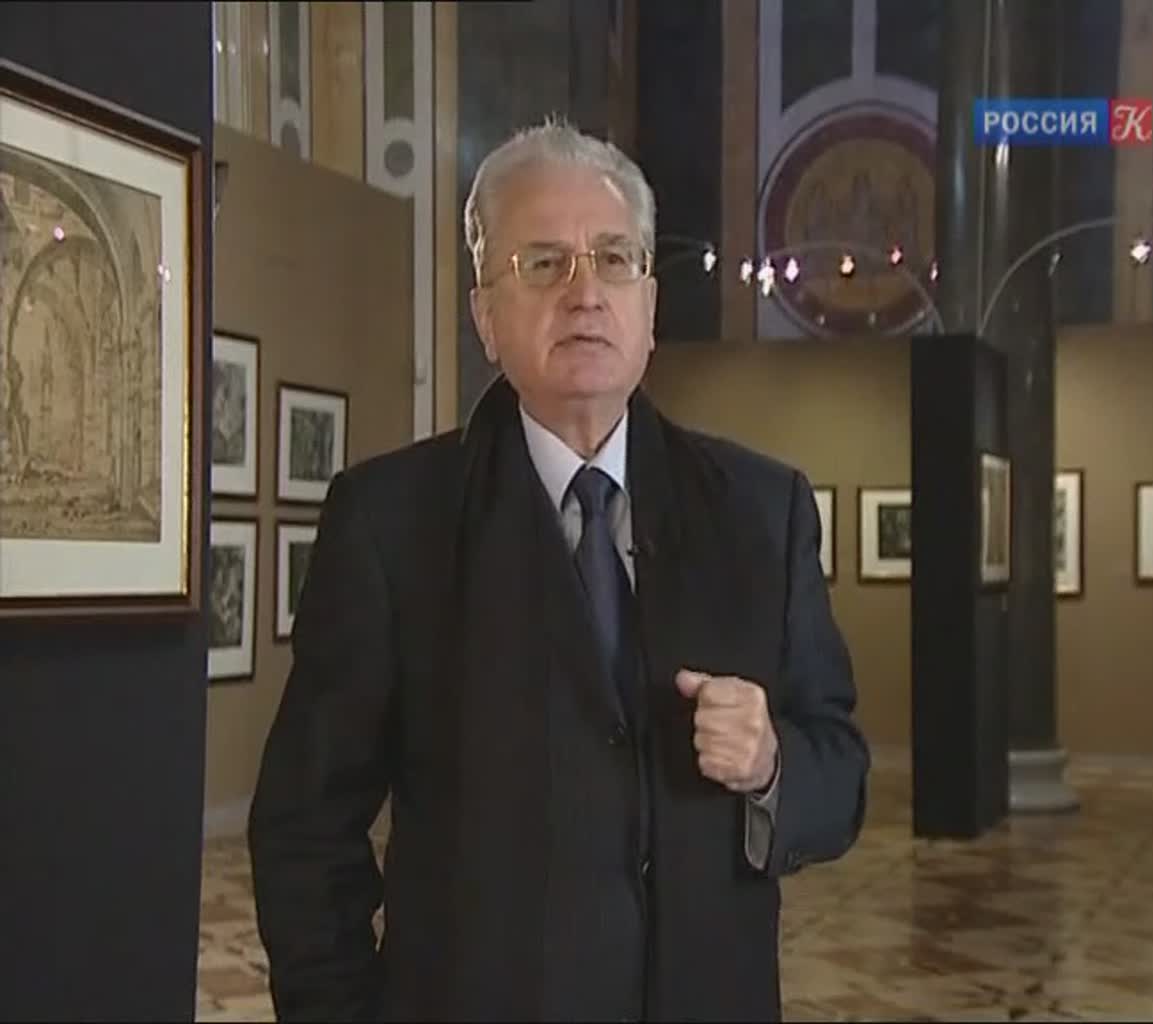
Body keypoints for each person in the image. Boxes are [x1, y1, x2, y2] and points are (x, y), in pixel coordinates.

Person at [248, 117, 870, 1023]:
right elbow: (305, 830)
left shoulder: (760, 512)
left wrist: (772, 762)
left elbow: (841, 772)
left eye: (614, 259)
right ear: (485, 317)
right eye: (543, 263)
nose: (585, 294)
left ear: (650, 306)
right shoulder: (388, 525)